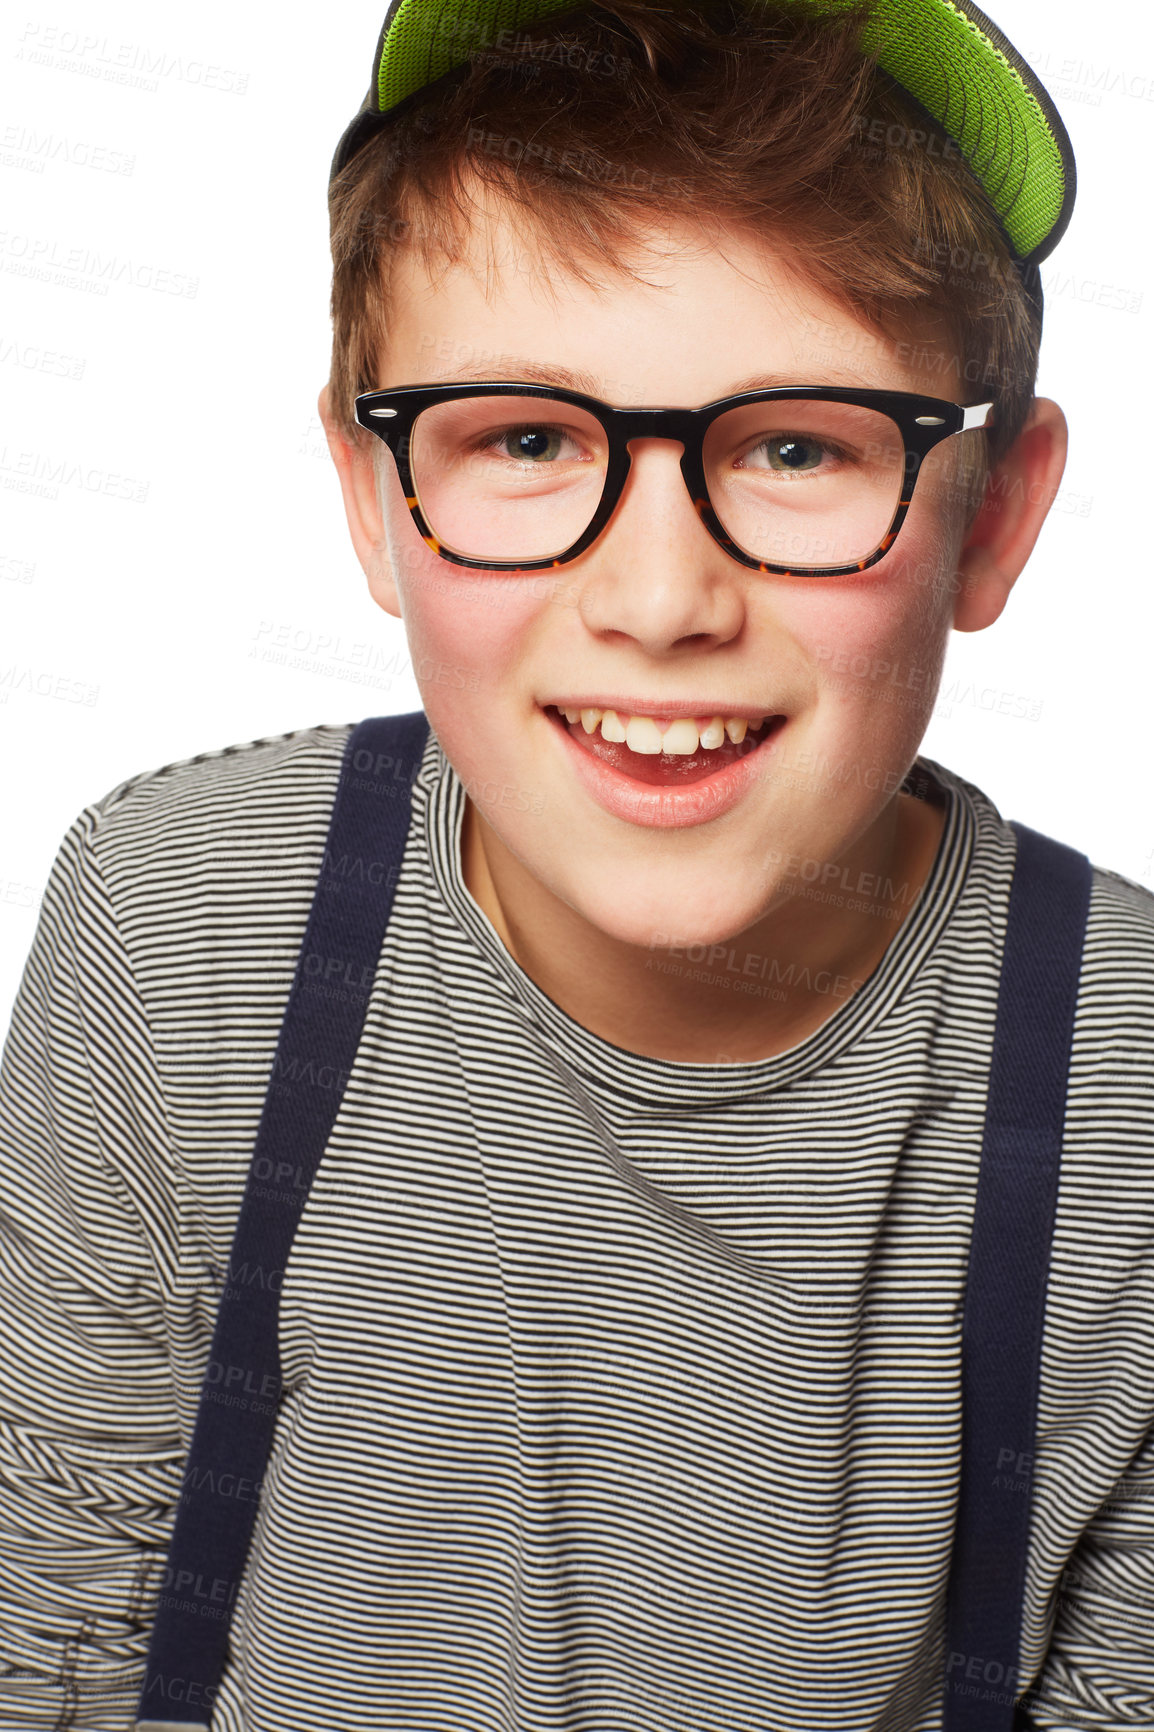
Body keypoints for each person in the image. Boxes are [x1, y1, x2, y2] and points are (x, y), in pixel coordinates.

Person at [1, 0, 1151, 1727]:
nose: (660, 601)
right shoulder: (181, 924)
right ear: (375, 499)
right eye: (528, 441)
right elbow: (54, 1616)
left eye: (795, 446)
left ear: (989, 518)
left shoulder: (1124, 1094)